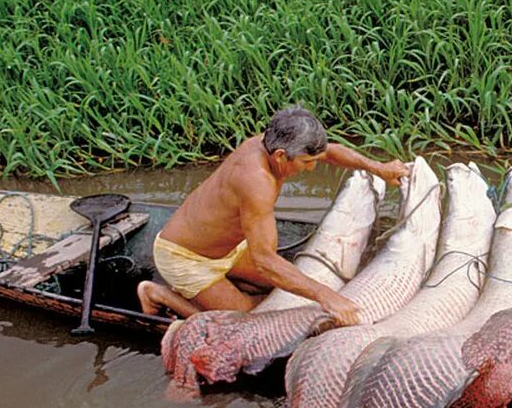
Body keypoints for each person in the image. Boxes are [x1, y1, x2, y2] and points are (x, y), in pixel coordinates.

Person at [137, 106, 408, 322]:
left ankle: (225, 286)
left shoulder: (270, 143)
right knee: (247, 319)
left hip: (227, 247)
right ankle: (157, 292)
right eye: (307, 162)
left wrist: (378, 167)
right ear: (281, 156)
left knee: (276, 290)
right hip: (186, 258)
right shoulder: (256, 182)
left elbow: (330, 152)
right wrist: (325, 295)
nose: (313, 168)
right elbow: (265, 260)